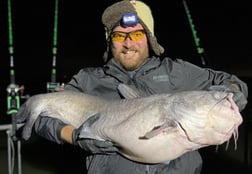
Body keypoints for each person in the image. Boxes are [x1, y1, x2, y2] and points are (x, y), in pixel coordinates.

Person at [33, 0, 248, 173]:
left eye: (137, 34)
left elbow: (232, 84)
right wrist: (73, 136)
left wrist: (225, 99)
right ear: (110, 41)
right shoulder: (88, 80)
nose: (128, 43)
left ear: (149, 39)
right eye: (119, 36)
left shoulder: (177, 71)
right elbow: (43, 118)